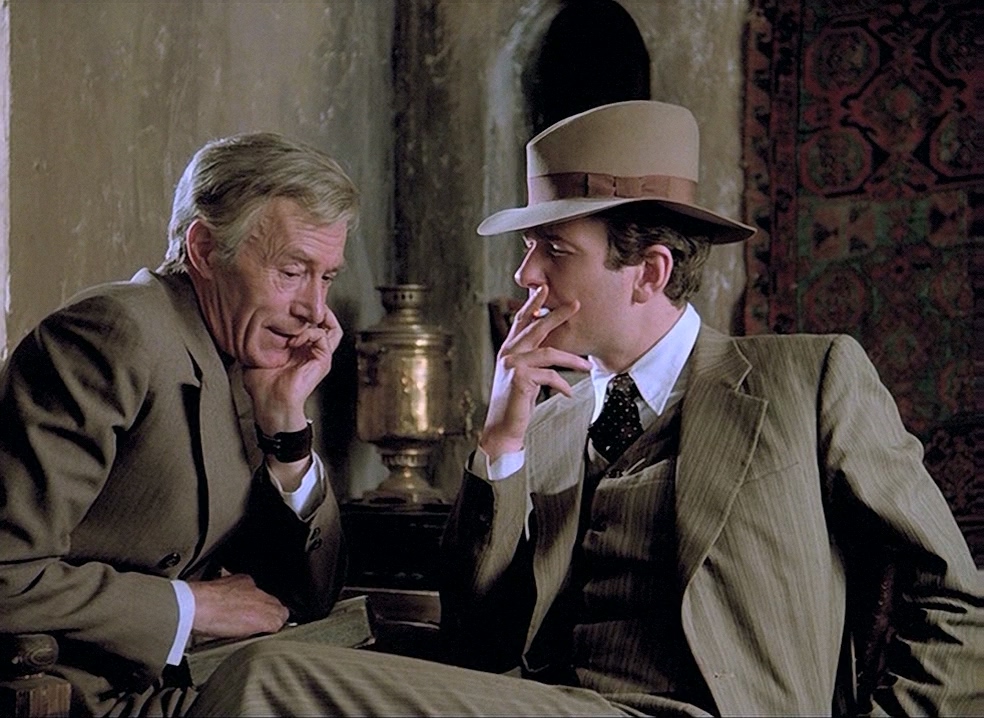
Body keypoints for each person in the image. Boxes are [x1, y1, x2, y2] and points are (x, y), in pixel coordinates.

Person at [189, 102, 982, 717]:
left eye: (555, 249)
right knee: (240, 664)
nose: (526, 274)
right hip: (556, 702)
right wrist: (501, 441)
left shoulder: (804, 380)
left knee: (265, 677)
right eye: (529, 248)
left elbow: (956, 602)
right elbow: (477, 643)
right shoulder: (548, 419)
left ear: (649, 271)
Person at [0, 132, 357, 716]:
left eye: (327, 278)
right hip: (81, 696)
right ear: (205, 249)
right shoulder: (113, 336)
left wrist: (286, 428)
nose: (314, 310)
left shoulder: (251, 359)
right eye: (293, 271)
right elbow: (6, 571)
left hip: (195, 679)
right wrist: (191, 607)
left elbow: (307, 597)